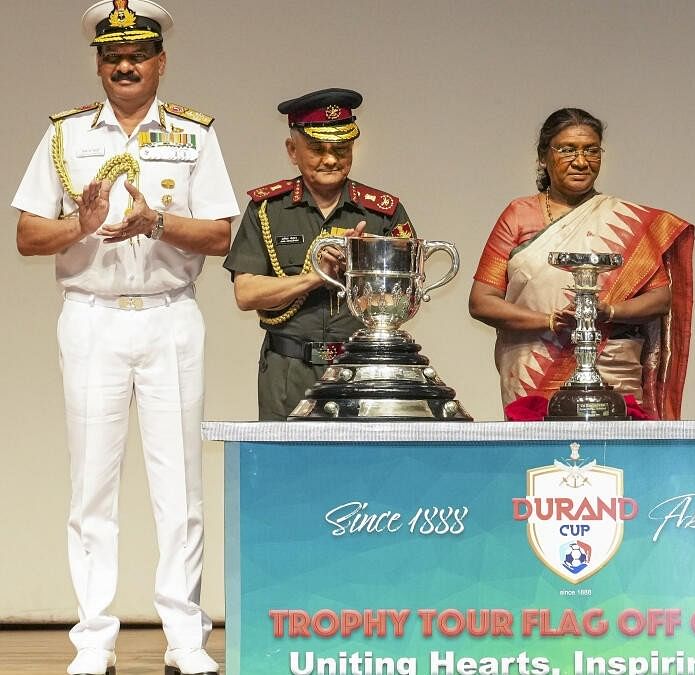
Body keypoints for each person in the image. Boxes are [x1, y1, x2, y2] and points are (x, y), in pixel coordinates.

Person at [11, 2, 238, 673]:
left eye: (137, 55)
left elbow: (222, 235)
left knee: (180, 487)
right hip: (92, 317)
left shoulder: (194, 136)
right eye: (113, 57)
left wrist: (155, 223)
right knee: (92, 485)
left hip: (169, 314)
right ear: (100, 64)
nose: (125, 65)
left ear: (160, 62)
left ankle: (186, 639)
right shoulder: (67, 136)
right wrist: (79, 226)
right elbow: (27, 235)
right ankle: (93, 641)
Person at [468, 108, 694, 419]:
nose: (581, 161)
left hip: (612, 375)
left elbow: (661, 297)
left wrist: (609, 312)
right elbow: (482, 302)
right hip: (534, 376)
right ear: (543, 157)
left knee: (615, 465)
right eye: (567, 149)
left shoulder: (626, 222)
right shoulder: (519, 216)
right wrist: (550, 321)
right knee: (539, 465)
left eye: (591, 150)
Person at [223, 88, 414, 420]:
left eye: (341, 148)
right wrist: (315, 278)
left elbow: (406, 300)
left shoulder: (384, 213)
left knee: (363, 469)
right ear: (292, 150)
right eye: (317, 149)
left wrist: (363, 266)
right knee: (286, 469)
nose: (331, 159)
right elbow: (246, 292)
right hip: (288, 371)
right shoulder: (268, 210)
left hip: (362, 370)